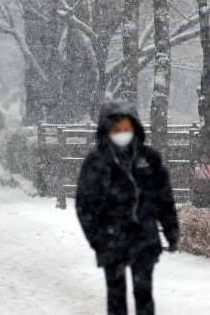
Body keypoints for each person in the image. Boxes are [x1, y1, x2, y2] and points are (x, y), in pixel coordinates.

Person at [76, 101, 179, 315]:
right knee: (115, 296)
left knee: (144, 294)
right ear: (106, 130)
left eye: (126, 128)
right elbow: (85, 204)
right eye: (116, 129)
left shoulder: (149, 159)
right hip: (110, 240)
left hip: (144, 238)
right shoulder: (96, 162)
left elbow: (164, 198)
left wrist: (171, 230)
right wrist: (96, 237)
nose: (122, 133)